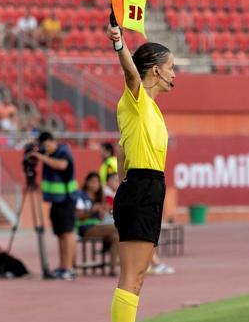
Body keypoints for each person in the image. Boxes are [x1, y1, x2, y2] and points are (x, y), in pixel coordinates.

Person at [106, 23, 176, 322]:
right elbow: (131, 73)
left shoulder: (149, 110)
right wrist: (120, 44)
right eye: (171, 67)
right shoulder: (136, 99)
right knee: (131, 278)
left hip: (144, 187)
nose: (174, 74)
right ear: (155, 71)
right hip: (142, 186)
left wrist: (125, 185)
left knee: (138, 278)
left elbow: (122, 153)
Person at [31, 131, 78, 280]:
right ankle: (62, 266)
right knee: (60, 234)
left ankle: (69, 268)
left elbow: (62, 165)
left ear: (52, 141)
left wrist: (41, 157)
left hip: (66, 199)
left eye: (47, 145)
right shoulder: (49, 154)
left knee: (67, 233)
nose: (46, 149)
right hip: (56, 201)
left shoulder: (63, 151)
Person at [75, 172, 118, 276]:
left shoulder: (99, 197)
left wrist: (102, 211)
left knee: (116, 237)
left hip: (98, 226)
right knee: (117, 228)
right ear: (87, 182)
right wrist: (92, 211)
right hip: (85, 227)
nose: (95, 185)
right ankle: (107, 248)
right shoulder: (81, 195)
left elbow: (102, 217)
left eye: (97, 183)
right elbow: (78, 215)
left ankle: (113, 269)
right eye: (92, 182)